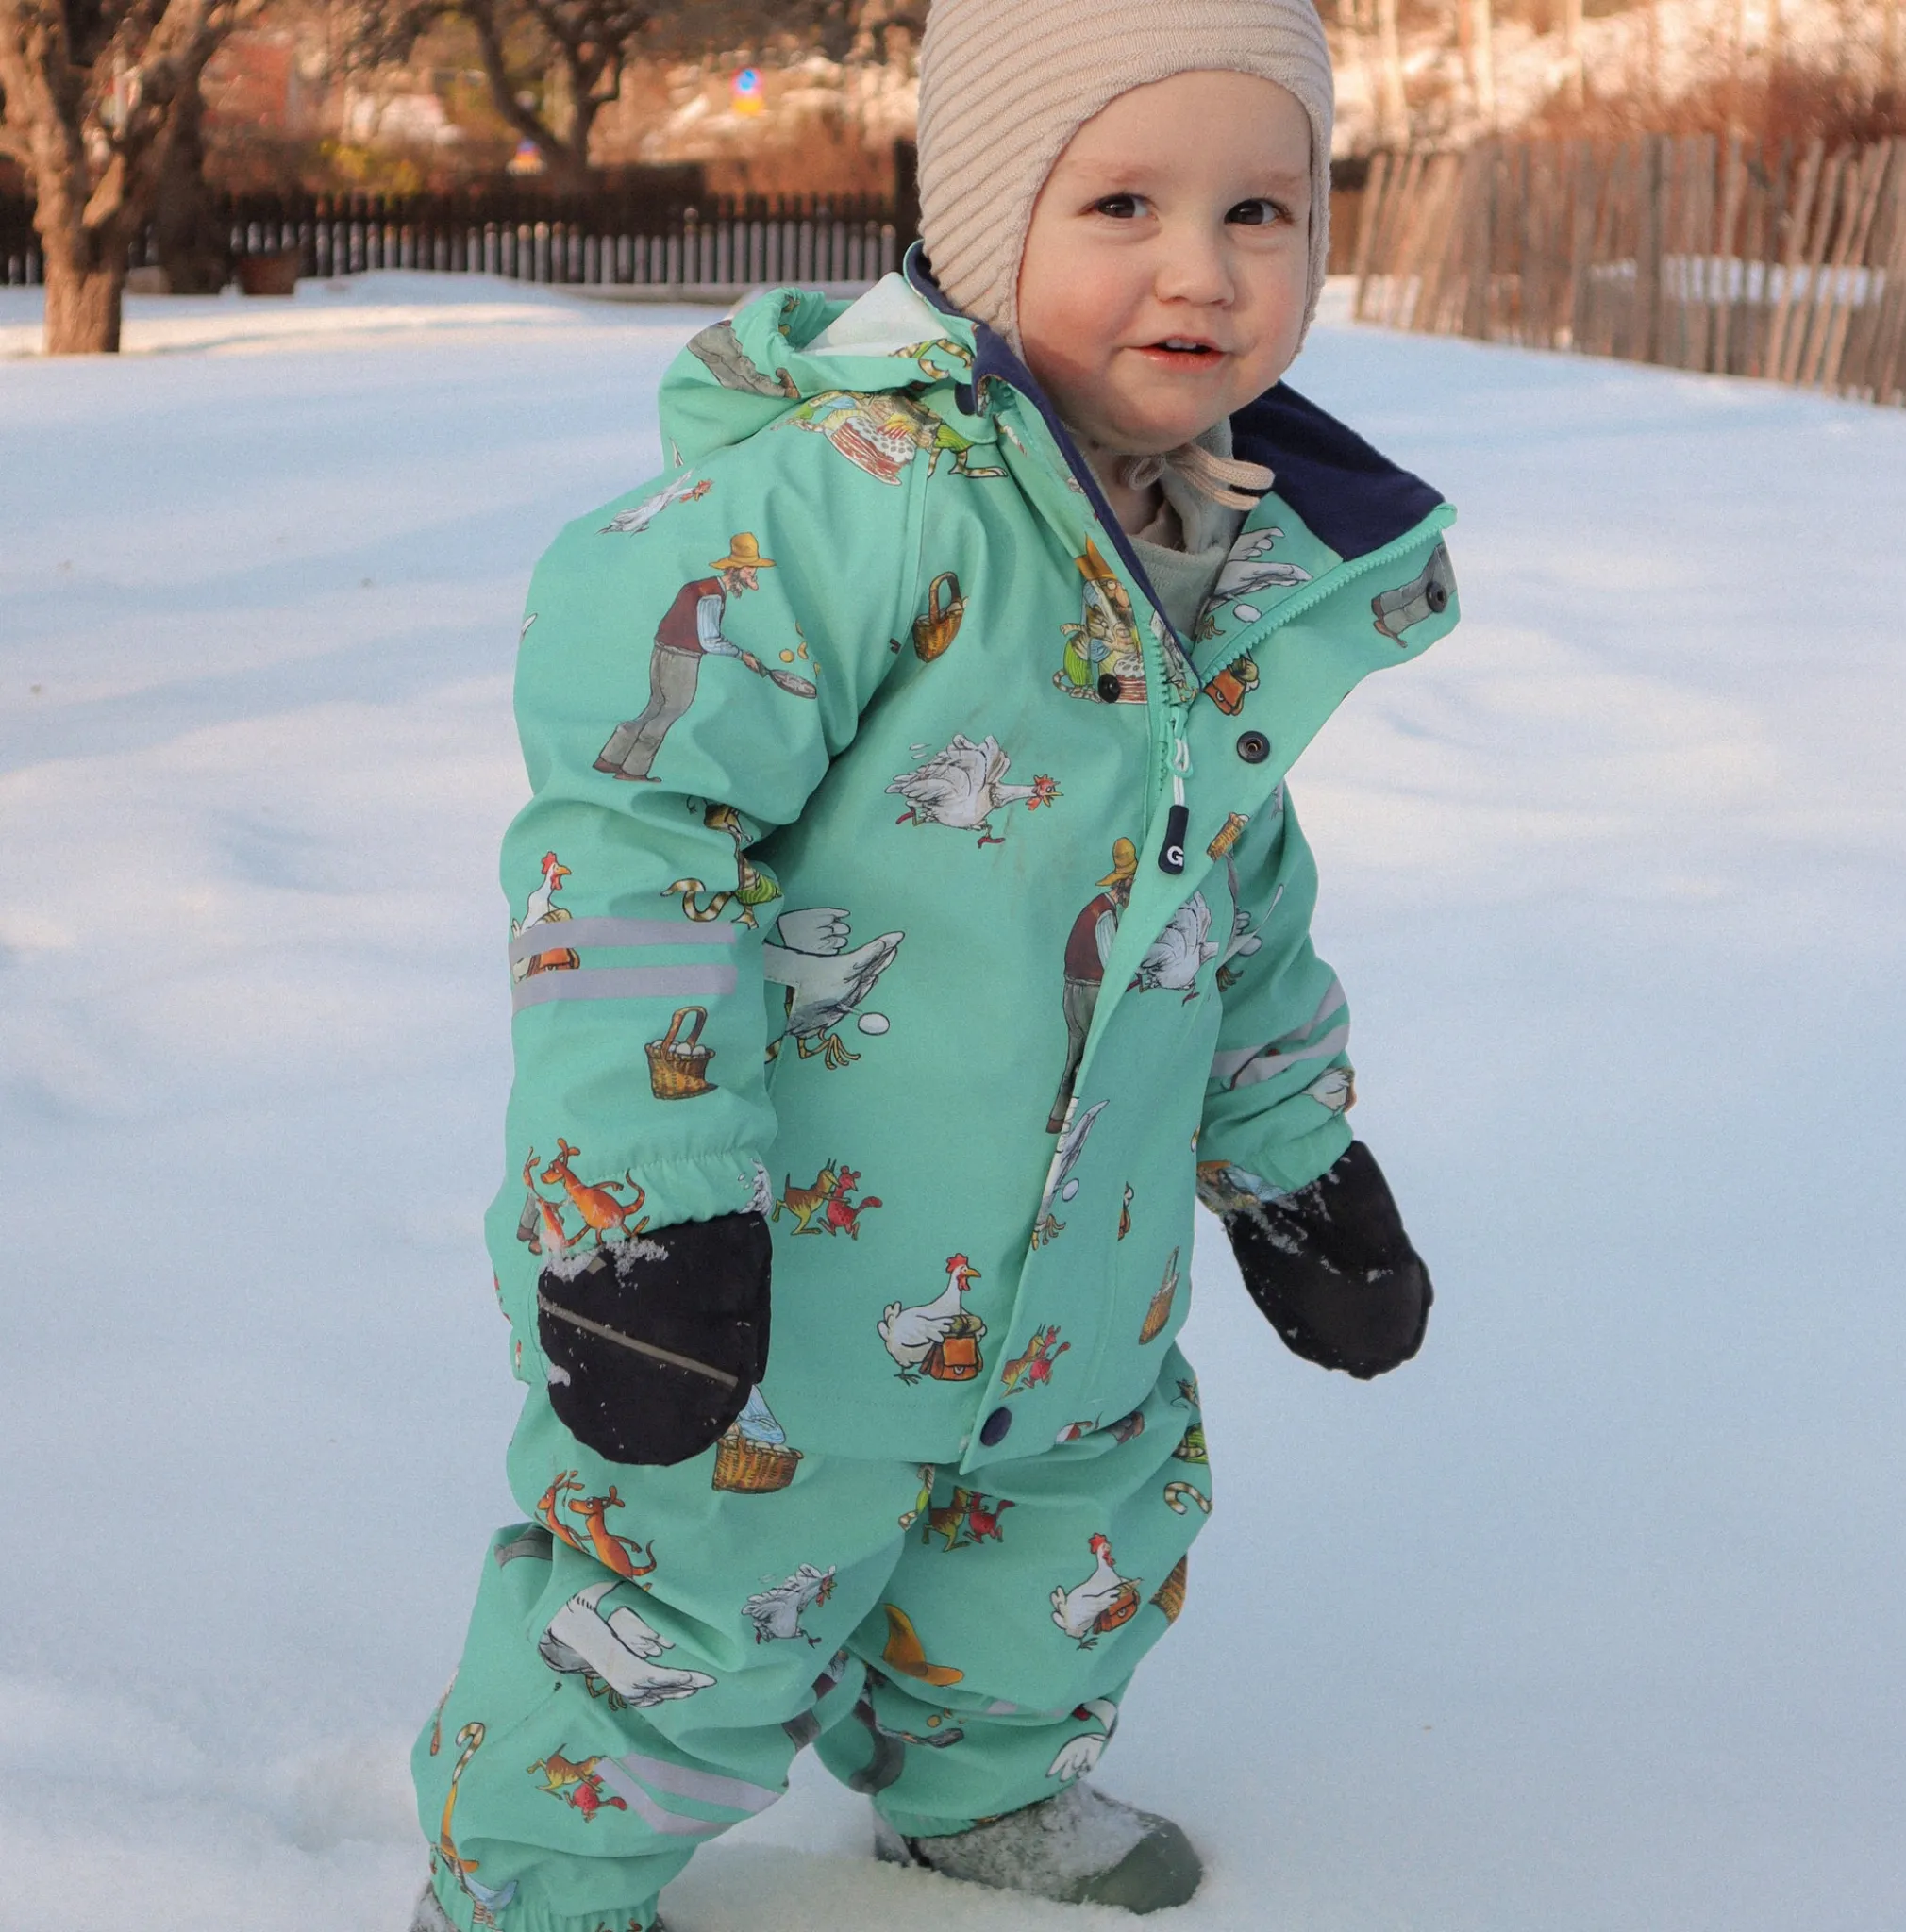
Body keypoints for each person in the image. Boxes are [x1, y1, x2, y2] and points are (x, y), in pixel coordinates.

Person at [410, 2, 1460, 1927]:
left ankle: (981, 1796)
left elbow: (1232, 891)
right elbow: (633, 862)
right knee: (672, 1632)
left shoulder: (1226, 558)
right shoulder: (833, 510)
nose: (1200, 270)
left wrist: (1295, 1162)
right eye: (1123, 200)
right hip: (771, 1294)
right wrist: (641, 1213)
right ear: (981, 223)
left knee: (1058, 1569)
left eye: (1263, 211)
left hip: (1080, 1298)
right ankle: (537, 1888)